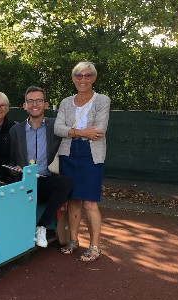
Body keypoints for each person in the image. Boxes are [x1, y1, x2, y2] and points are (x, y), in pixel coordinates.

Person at [54, 61, 110, 261]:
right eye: (79, 75)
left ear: (93, 78)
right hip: (67, 153)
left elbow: (100, 130)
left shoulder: (102, 100)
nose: (83, 79)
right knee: (73, 200)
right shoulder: (66, 102)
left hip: (91, 155)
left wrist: (73, 132)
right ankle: (74, 241)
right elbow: (57, 128)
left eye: (87, 76)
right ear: (73, 79)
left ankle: (95, 246)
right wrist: (82, 132)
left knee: (90, 202)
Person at [8, 86, 72, 248]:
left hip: (45, 182)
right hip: (24, 183)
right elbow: (10, 161)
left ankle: (41, 226)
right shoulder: (15, 130)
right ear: (25, 105)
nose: (34, 104)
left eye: (39, 101)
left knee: (65, 182)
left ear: (46, 104)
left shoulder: (55, 127)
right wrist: (14, 169)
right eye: (30, 101)